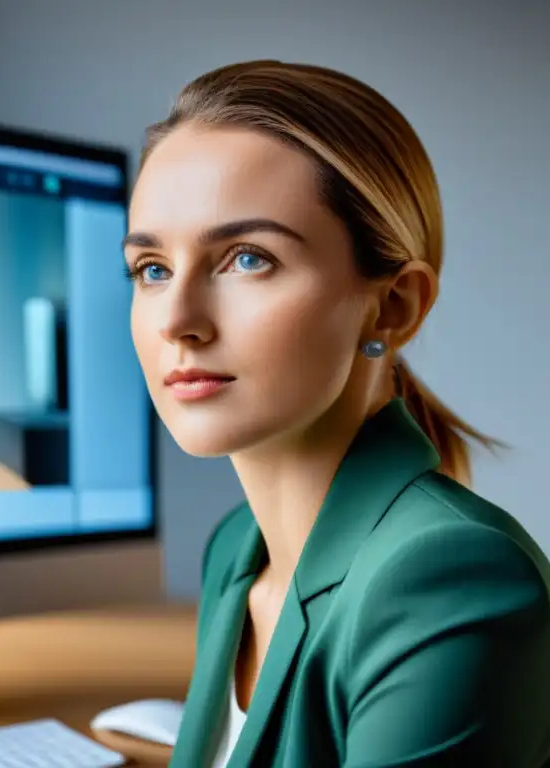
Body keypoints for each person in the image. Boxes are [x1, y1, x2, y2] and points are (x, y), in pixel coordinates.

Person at [126, 61, 550, 766]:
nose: (177, 320)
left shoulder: (453, 578)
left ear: (393, 306)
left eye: (247, 259)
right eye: (153, 269)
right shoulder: (237, 549)